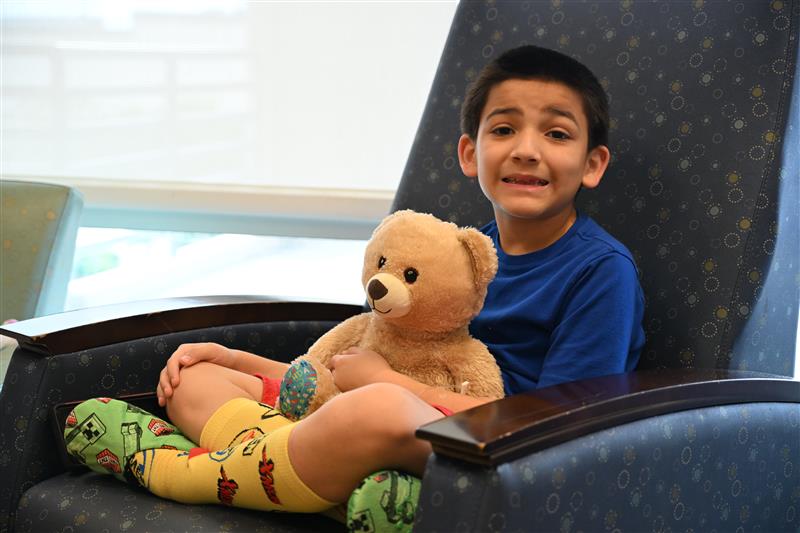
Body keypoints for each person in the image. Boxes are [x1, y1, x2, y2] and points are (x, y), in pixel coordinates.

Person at [73, 44, 645, 522]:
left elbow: (558, 428)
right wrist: (235, 358)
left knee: (377, 408)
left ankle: (180, 472)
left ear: (592, 163)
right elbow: (349, 365)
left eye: (556, 133)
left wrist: (390, 384)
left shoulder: (601, 272)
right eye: (504, 128)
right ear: (471, 153)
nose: (526, 149)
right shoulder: (450, 255)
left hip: (501, 450)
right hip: (378, 411)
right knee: (197, 380)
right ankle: (347, 494)